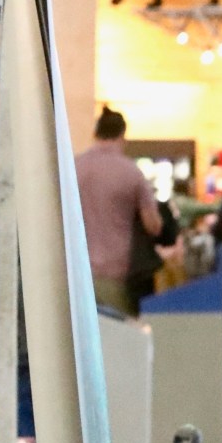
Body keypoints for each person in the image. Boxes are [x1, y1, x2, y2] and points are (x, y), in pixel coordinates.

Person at [74, 107, 163, 316]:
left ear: (95, 133)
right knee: (118, 339)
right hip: (117, 276)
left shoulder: (74, 168)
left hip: (77, 274)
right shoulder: (132, 173)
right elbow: (154, 226)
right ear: (123, 135)